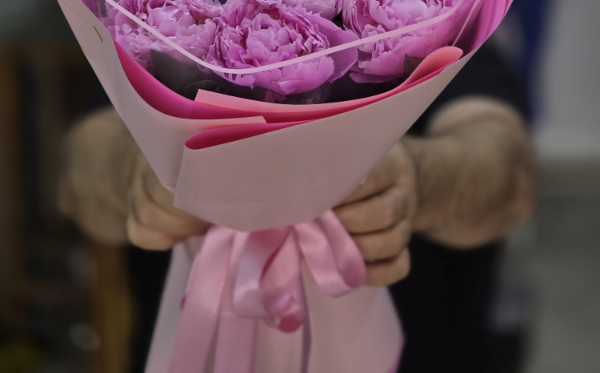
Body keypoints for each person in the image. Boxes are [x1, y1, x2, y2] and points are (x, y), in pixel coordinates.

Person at [59, 41, 534, 373]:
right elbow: (79, 175)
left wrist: (417, 179)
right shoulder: (154, 30)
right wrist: (140, 178)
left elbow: (506, 172)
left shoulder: (432, 23)